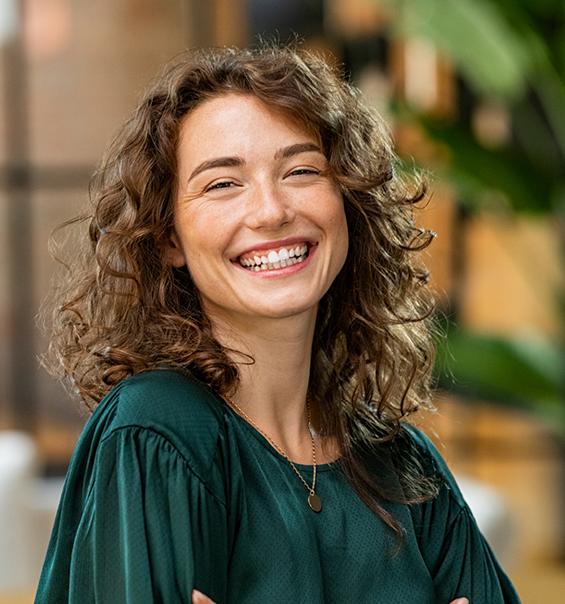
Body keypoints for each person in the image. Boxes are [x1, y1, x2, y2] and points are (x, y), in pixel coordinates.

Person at [35, 44, 520, 604]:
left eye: (301, 170)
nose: (271, 210)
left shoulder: (402, 464)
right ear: (169, 237)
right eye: (223, 183)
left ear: (347, 202)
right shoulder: (158, 432)